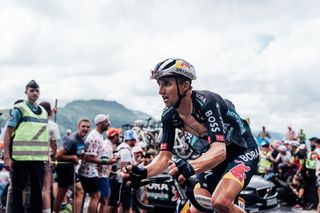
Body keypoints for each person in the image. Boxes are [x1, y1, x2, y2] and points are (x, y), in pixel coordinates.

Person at [122, 58, 259, 213]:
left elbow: (220, 151)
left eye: (166, 83)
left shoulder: (208, 102)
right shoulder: (169, 115)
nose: (160, 91)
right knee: (195, 209)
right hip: (214, 156)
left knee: (221, 201)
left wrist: (190, 166)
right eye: (159, 84)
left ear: (185, 86)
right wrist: (142, 171)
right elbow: (164, 157)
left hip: (243, 151)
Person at [3, 80, 49, 213]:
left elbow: (44, 136)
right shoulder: (20, 109)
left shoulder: (43, 112)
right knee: (17, 190)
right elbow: (8, 133)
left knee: (37, 190)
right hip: (21, 157)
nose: (35, 93)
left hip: (37, 158)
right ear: (26, 92)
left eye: (37, 90)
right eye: (32, 90)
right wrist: (7, 156)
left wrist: (46, 155)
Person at [78, 114, 118, 213]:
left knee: (96, 196)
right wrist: (108, 161)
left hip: (91, 171)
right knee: (96, 196)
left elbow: (96, 155)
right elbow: (89, 157)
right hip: (89, 171)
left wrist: (108, 159)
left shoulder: (98, 135)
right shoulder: (94, 137)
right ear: (99, 123)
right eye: (106, 122)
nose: (108, 124)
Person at [53, 118, 91, 213]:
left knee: (61, 194)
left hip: (70, 168)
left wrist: (81, 156)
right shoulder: (72, 140)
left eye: (87, 127)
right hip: (64, 169)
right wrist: (73, 157)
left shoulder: (82, 138)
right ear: (78, 127)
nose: (85, 128)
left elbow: (77, 152)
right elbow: (57, 156)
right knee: (79, 191)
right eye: (83, 126)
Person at [39, 101, 61, 213]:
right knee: (46, 189)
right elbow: (54, 144)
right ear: (50, 111)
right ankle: (47, 211)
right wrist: (56, 157)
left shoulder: (35, 122)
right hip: (47, 157)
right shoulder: (52, 125)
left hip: (33, 156)